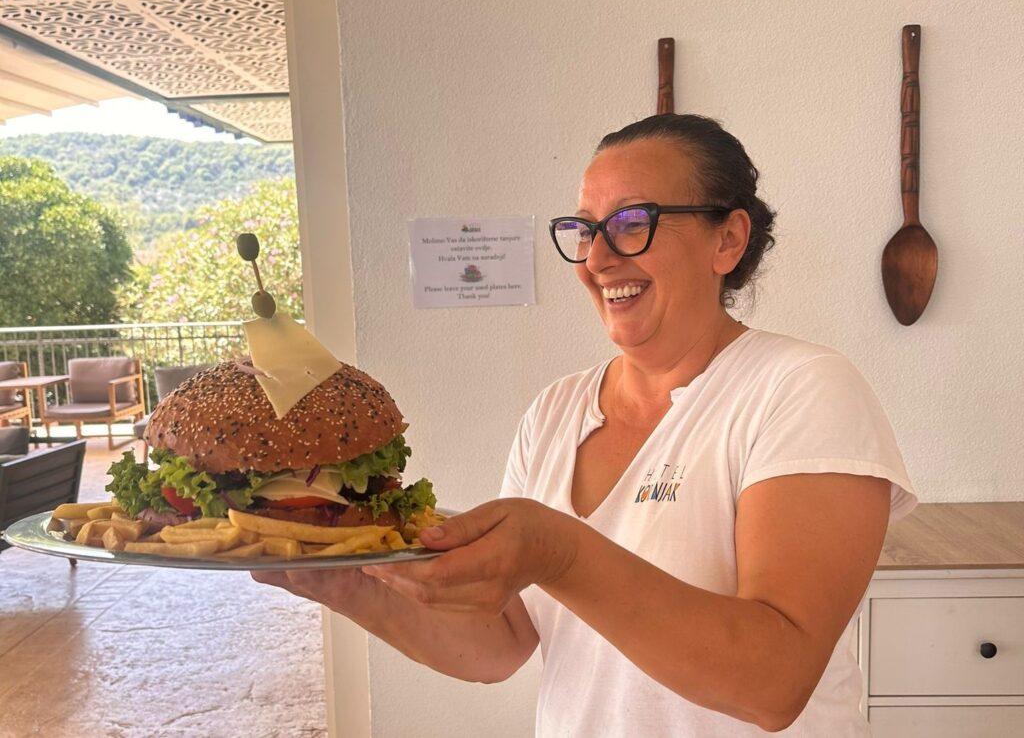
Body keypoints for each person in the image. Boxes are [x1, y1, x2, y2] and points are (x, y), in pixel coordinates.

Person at [253, 114, 916, 736]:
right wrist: (341, 584)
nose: (596, 259)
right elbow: (503, 641)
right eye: (584, 228)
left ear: (728, 239)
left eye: (632, 223)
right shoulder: (556, 412)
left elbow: (775, 682)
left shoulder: (800, 389)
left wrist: (559, 551)